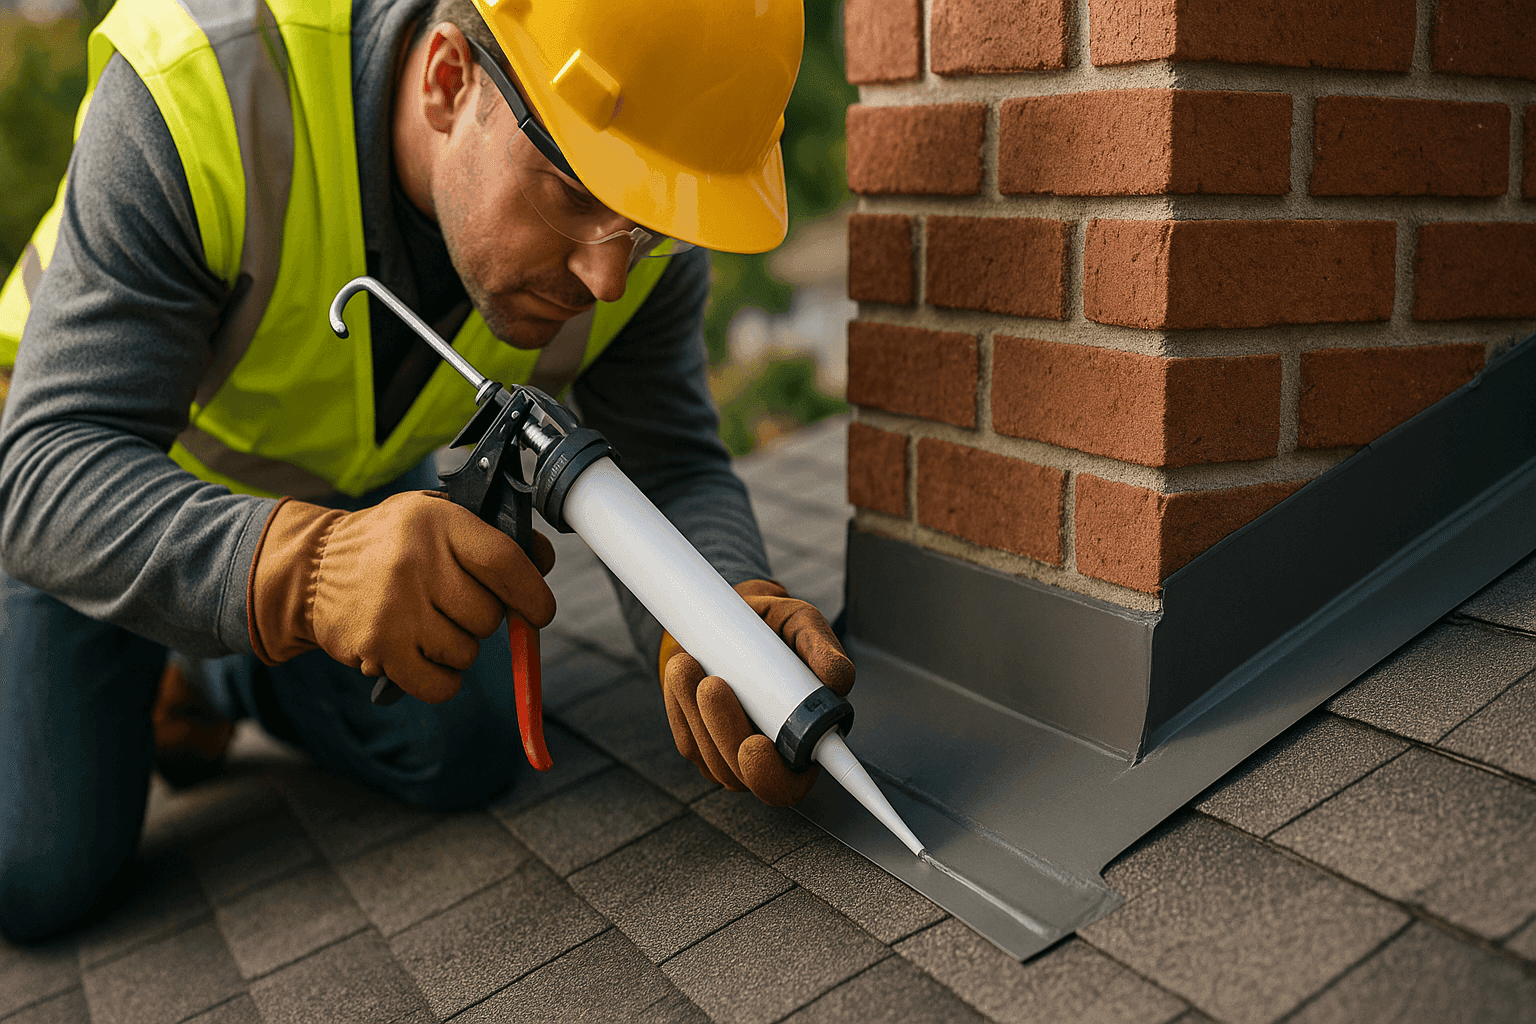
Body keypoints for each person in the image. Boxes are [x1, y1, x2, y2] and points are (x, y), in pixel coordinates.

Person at [0, 0, 853, 942]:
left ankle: (210, 678)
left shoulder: (639, 218)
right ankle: (198, 631)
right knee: (40, 869)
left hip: (322, 480)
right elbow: (47, 467)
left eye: (646, 225)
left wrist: (723, 609)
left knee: (456, 734)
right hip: (89, 484)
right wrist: (311, 571)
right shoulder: (201, 89)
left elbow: (673, 461)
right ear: (450, 79)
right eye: (576, 192)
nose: (609, 279)